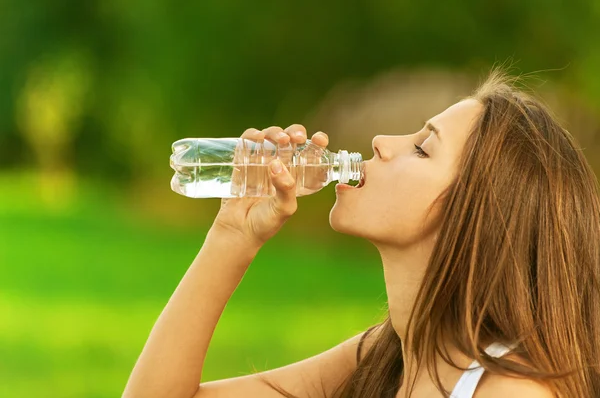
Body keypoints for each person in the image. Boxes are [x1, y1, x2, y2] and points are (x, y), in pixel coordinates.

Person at [122, 69, 600, 398]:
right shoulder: (390, 353)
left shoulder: (511, 391)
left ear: (476, 214)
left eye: (421, 149)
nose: (381, 142)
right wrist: (232, 236)